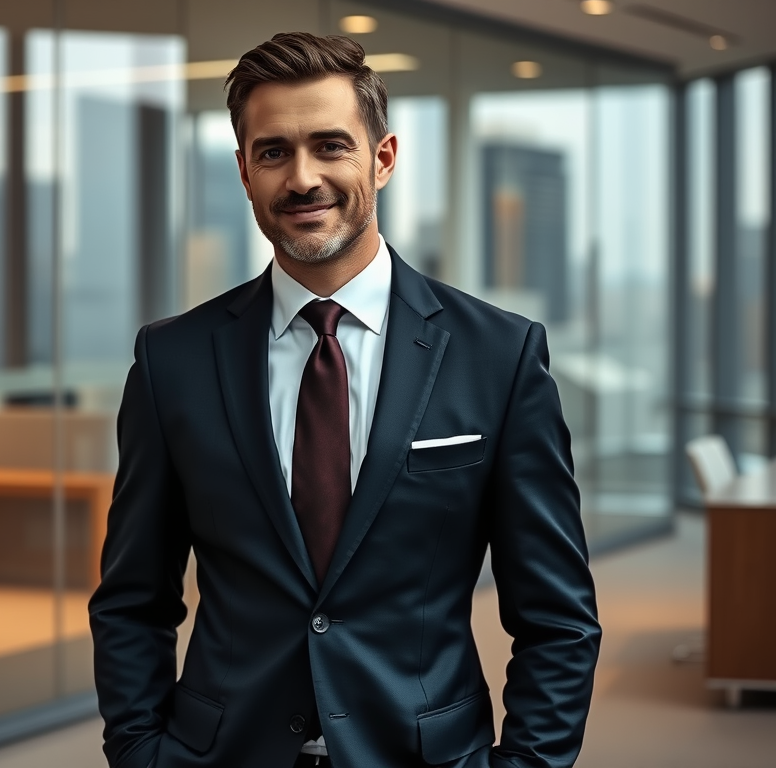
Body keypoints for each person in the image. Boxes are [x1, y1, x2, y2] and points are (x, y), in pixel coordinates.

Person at [90, 32, 600, 768]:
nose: (302, 178)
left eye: (331, 146)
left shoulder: (500, 356)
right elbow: (133, 600)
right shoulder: (172, 360)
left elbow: (558, 619)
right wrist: (140, 752)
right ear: (243, 171)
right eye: (273, 152)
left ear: (382, 158)